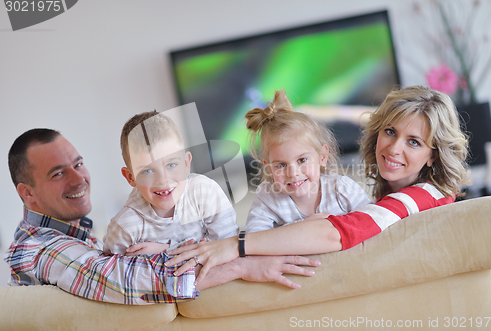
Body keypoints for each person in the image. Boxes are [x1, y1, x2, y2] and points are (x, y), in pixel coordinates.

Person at [167, 85, 470, 284]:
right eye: (390, 131)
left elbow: (337, 234)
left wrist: (237, 248)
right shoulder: (391, 194)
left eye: (414, 142)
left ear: (434, 155)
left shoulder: (424, 196)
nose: (393, 148)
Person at [3, 129, 321, 305]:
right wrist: (244, 263)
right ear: (28, 193)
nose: (78, 179)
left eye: (78, 163)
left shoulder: (73, 236)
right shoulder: (40, 249)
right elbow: (126, 281)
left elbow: (128, 264)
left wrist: (169, 250)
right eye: (58, 173)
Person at [102, 111, 238, 256]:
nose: (163, 180)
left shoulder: (205, 193)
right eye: (147, 171)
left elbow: (229, 247)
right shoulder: (125, 227)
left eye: (171, 165)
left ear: (186, 163)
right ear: (130, 177)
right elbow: (112, 271)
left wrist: (166, 250)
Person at [244, 89, 371, 233]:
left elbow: (371, 223)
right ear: (269, 168)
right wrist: (304, 225)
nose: (293, 173)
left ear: (322, 157)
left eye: (302, 160)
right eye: (281, 165)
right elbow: (252, 239)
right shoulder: (268, 198)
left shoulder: (342, 189)